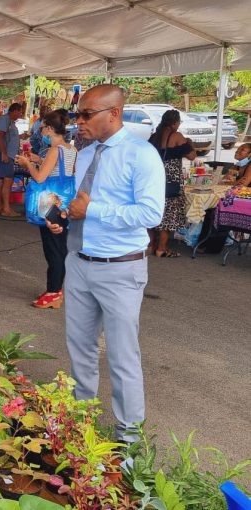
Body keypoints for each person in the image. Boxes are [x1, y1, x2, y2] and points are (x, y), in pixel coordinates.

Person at [46, 84, 164, 442]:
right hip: (79, 261)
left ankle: (128, 442)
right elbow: (80, 202)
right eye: (77, 114)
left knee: (122, 357)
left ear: (114, 113)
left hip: (120, 267)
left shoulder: (140, 155)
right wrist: (65, 217)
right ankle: (80, 427)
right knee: (80, 349)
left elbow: (151, 213)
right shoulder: (85, 153)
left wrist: (92, 210)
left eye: (86, 114)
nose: (78, 121)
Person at [15, 110, 77, 309]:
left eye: (42, 128)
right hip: (64, 202)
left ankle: (54, 292)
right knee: (60, 246)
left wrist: (27, 164)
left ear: (50, 129)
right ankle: (56, 289)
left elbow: (40, 178)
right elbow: (60, 171)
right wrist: (38, 160)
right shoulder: (71, 149)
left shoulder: (54, 150)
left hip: (50, 202)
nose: (41, 132)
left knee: (53, 249)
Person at [147, 110, 196, 258]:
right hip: (171, 180)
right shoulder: (176, 136)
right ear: (175, 123)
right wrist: (189, 143)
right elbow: (192, 156)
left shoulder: (154, 137)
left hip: (153, 178)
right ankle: (162, 248)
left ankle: (150, 245)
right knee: (168, 214)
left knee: (152, 210)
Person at [0, 103, 24, 216]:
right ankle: (6, 209)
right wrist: (4, 153)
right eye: (20, 112)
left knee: (2, 180)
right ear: (14, 111)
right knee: (8, 180)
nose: (20, 114)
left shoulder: (10, 122)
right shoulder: (4, 119)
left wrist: (20, 137)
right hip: (5, 155)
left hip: (7, 154)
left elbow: (6, 136)